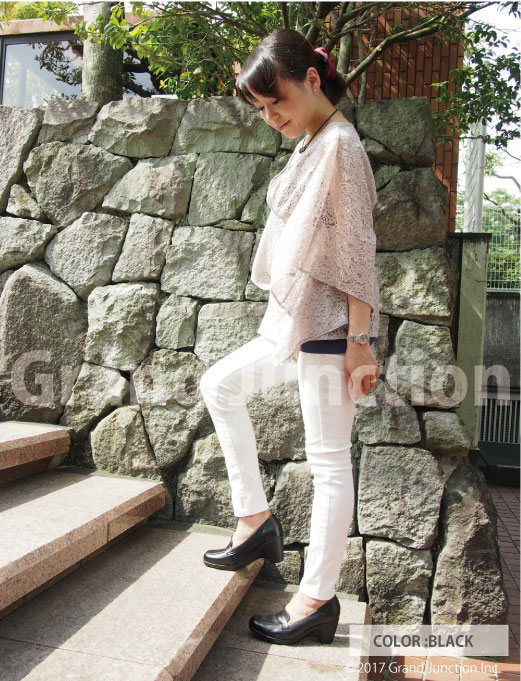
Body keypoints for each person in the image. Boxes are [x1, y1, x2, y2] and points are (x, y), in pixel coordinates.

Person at [199, 28, 381, 646]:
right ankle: (255, 520)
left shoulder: (341, 146)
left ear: (311, 79)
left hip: (330, 328)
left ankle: (315, 601)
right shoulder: (312, 140)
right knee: (220, 386)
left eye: (276, 100)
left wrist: (361, 339)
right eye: (260, 108)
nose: (271, 116)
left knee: (328, 463)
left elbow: (356, 248)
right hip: (297, 326)